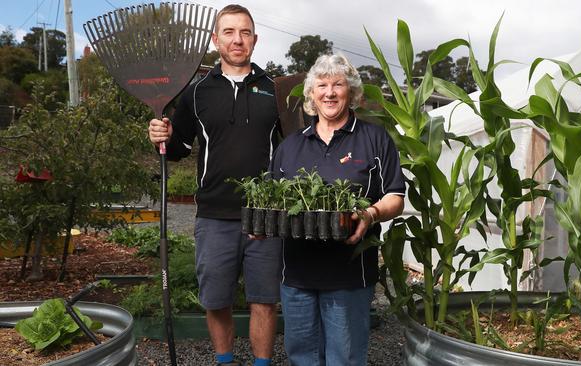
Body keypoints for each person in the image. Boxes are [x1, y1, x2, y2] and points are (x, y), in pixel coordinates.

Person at [148, 5, 281, 366]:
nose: (237, 39)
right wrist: (161, 135)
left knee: (264, 299)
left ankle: (262, 363)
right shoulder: (196, 93)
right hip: (214, 214)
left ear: (255, 39)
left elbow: (290, 152)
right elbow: (177, 149)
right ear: (215, 39)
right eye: (229, 31)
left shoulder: (275, 91)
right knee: (216, 299)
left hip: (265, 217)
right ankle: (224, 361)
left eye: (245, 32)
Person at [269, 53, 406, 366]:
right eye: (321, 85)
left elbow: (395, 196)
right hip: (297, 275)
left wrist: (370, 213)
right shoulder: (290, 146)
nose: (329, 92)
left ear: (352, 93)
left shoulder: (374, 139)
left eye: (337, 85)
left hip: (349, 275)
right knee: (302, 356)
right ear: (311, 94)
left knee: (344, 358)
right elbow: (273, 201)